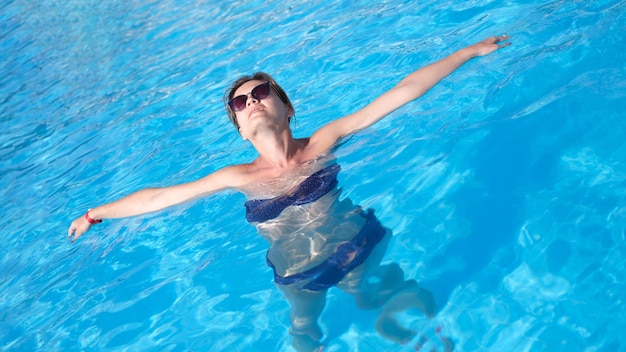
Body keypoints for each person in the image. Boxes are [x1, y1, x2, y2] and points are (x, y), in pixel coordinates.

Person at [68, 34, 511, 352]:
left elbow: (399, 94)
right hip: (300, 275)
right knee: (305, 332)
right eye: (240, 104)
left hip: (358, 243)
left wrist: (468, 51)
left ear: (287, 107)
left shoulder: (323, 141)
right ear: (241, 130)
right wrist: (95, 213)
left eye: (260, 93)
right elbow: (159, 197)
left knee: (387, 296)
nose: (252, 101)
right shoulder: (237, 176)